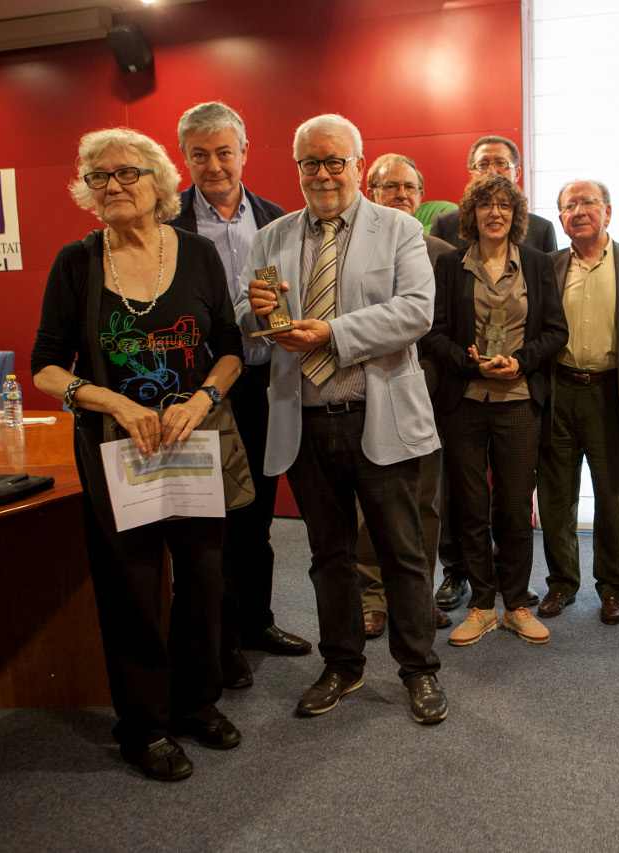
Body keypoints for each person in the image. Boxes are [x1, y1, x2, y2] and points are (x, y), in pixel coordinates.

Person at [31, 127, 244, 781]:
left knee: (204, 583)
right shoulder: (77, 261)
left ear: (158, 182)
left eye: (126, 173)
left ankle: (196, 702)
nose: (112, 186)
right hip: (115, 452)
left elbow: (232, 346)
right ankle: (145, 725)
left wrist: (201, 397)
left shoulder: (200, 254)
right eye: (98, 176)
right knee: (132, 587)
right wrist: (112, 402)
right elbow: (43, 367)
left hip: (192, 445)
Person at [233, 114, 447, 725]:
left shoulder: (400, 228)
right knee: (328, 555)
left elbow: (416, 313)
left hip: (376, 413)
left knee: (402, 552)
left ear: (358, 163)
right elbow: (248, 325)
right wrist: (257, 314)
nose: (323, 174)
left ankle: (418, 671)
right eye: (310, 163)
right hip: (304, 420)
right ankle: (343, 664)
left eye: (335, 162)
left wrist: (332, 332)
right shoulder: (270, 237)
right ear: (296, 167)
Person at [170, 101, 310, 690]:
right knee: (213, 524)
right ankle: (220, 642)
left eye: (224, 152)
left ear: (245, 154)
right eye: (200, 154)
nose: (214, 165)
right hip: (200, 394)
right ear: (184, 158)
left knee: (257, 517)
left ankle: (258, 623)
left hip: (265, 387)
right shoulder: (167, 224)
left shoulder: (278, 220)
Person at [424, 173, 568, 647]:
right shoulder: (449, 265)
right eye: (485, 205)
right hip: (464, 400)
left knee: (511, 505)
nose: (495, 213)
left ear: (516, 215)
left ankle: (516, 604)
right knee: (468, 505)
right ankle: (483, 605)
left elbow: (554, 331)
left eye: (504, 205)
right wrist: (468, 361)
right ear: (472, 214)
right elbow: (434, 332)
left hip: (518, 399)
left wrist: (520, 362)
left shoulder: (536, 263)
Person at [536, 179, 619, 625]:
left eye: (589, 202)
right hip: (558, 393)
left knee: (612, 498)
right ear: (561, 219)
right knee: (556, 498)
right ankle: (561, 583)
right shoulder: (546, 266)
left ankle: (612, 587)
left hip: (612, 395)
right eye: (569, 205)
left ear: (608, 211)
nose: (580, 211)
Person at [355, 153, 455, 637]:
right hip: (365, 393)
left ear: (421, 194)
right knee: (368, 508)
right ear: (370, 191)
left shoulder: (442, 252)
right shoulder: (352, 249)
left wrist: (424, 382)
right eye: (388, 186)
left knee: (423, 504)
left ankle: (417, 596)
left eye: (409, 188)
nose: (400, 195)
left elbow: (448, 329)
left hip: (424, 398)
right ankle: (372, 598)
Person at [430, 135, 557, 253]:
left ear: (517, 173)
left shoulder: (542, 229)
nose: (492, 172)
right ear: (472, 175)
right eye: (483, 165)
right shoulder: (446, 225)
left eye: (501, 163)